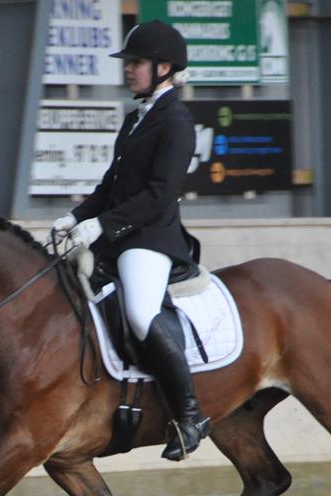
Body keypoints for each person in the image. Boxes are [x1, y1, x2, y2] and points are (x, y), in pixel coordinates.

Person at [52, 20, 208, 462]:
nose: (129, 70)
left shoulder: (176, 122)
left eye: (136, 63)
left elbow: (160, 195)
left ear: (163, 68)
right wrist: (77, 216)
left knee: (140, 311)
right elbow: (109, 187)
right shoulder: (135, 120)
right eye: (129, 63)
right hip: (119, 236)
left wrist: (103, 226)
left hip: (151, 240)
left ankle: (190, 414)